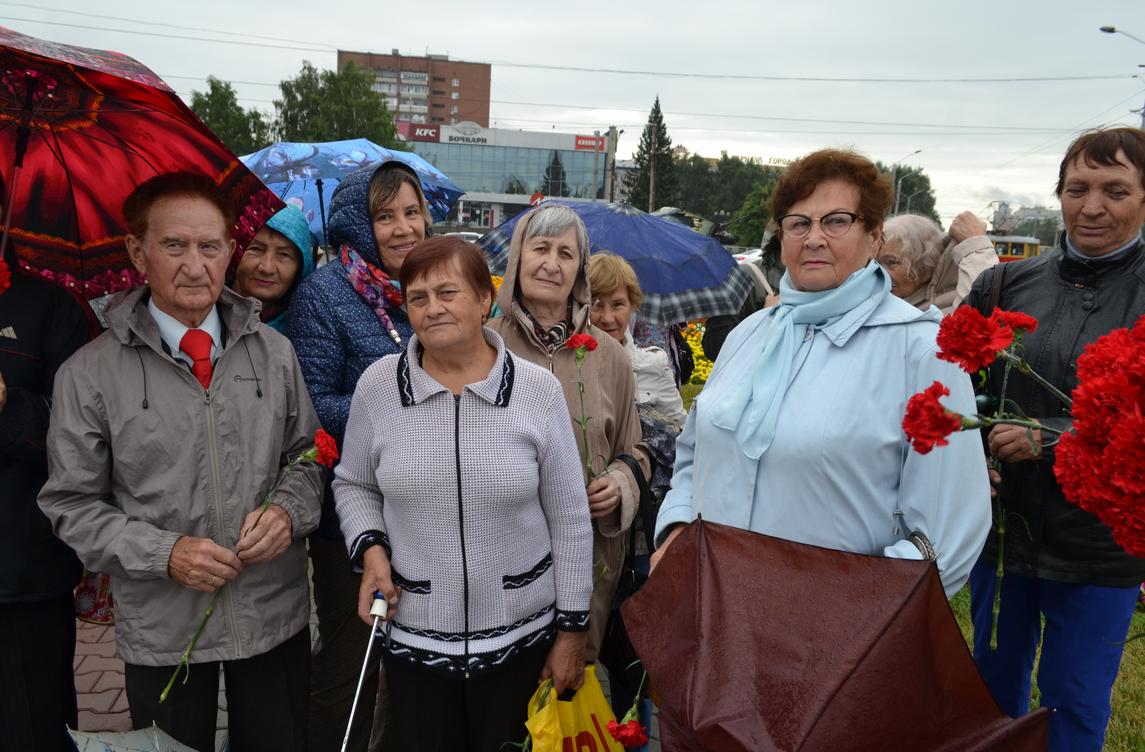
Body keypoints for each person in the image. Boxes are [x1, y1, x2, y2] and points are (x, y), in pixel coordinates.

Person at [38, 172, 324, 752]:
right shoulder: (88, 374)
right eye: (174, 245)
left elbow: (307, 457)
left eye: (210, 246)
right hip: (164, 630)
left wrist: (289, 513)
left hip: (273, 615)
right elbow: (71, 506)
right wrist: (165, 554)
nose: (195, 265)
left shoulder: (273, 353)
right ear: (137, 252)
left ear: (228, 253)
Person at [652, 148, 990, 602]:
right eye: (798, 223)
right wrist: (675, 530)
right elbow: (695, 453)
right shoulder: (750, 336)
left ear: (874, 237)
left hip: (833, 634)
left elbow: (949, 529)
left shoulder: (922, 352)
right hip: (713, 605)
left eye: (836, 221)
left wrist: (852, 616)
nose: (813, 238)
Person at [334, 237, 593, 751]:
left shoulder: (537, 390)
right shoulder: (379, 388)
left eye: (448, 292)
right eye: (418, 297)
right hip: (415, 639)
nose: (432, 309)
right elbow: (354, 483)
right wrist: (372, 551)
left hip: (522, 640)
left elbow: (569, 515)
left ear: (483, 300)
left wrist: (572, 633)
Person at [964, 126, 1145, 752]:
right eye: (1078, 189)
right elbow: (962, 388)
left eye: (1115, 190)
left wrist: (1055, 437)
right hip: (1003, 528)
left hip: (1100, 542)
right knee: (989, 692)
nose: (1092, 206)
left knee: (1074, 700)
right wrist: (968, 450)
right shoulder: (1005, 285)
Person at [286, 160, 429, 751]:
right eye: (385, 215)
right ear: (356, 224)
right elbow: (312, 408)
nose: (404, 228)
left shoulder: (422, 289)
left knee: (413, 672)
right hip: (349, 520)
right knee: (352, 665)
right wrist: (401, 395)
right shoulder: (325, 292)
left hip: (423, 514)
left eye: (413, 211)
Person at [487, 205, 647, 665]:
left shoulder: (610, 355)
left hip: (587, 558)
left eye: (565, 253)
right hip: (499, 562)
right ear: (518, 257)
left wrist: (620, 483)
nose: (551, 264)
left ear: (579, 270)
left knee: (565, 696)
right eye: (540, 248)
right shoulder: (484, 343)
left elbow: (634, 449)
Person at [0, 191, 92, 751]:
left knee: (34, 729)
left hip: (24, 577)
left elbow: (79, 441)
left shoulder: (50, 310)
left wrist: (8, 403)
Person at [588, 252, 687, 426]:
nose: (607, 318)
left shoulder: (653, 365)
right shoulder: (562, 366)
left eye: (617, 305)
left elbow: (681, 435)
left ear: (632, 306)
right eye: (596, 305)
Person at [878, 211, 997, 314]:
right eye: (876, 263)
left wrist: (976, 247)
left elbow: (979, 312)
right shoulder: (895, 301)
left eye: (891, 263)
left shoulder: (942, 310)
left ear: (923, 264)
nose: (879, 273)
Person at [231, 204, 315, 332]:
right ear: (235, 252)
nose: (267, 268)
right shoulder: (204, 314)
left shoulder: (309, 329)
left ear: (300, 268)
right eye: (255, 249)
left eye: (284, 254)